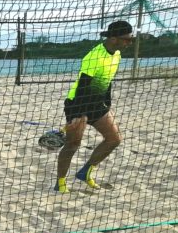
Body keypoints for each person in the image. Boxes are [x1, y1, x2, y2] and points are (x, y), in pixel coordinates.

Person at [55, 20, 136, 192]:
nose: (130, 42)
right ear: (114, 39)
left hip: (97, 103)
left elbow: (107, 81)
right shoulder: (94, 56)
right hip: (78, 103)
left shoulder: (117, 54)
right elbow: (83, 87)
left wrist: (107, 102)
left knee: (114, 140)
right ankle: (60, 183)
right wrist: (80, 114)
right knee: (73, 144)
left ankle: (85, 172)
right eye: (127, 39)